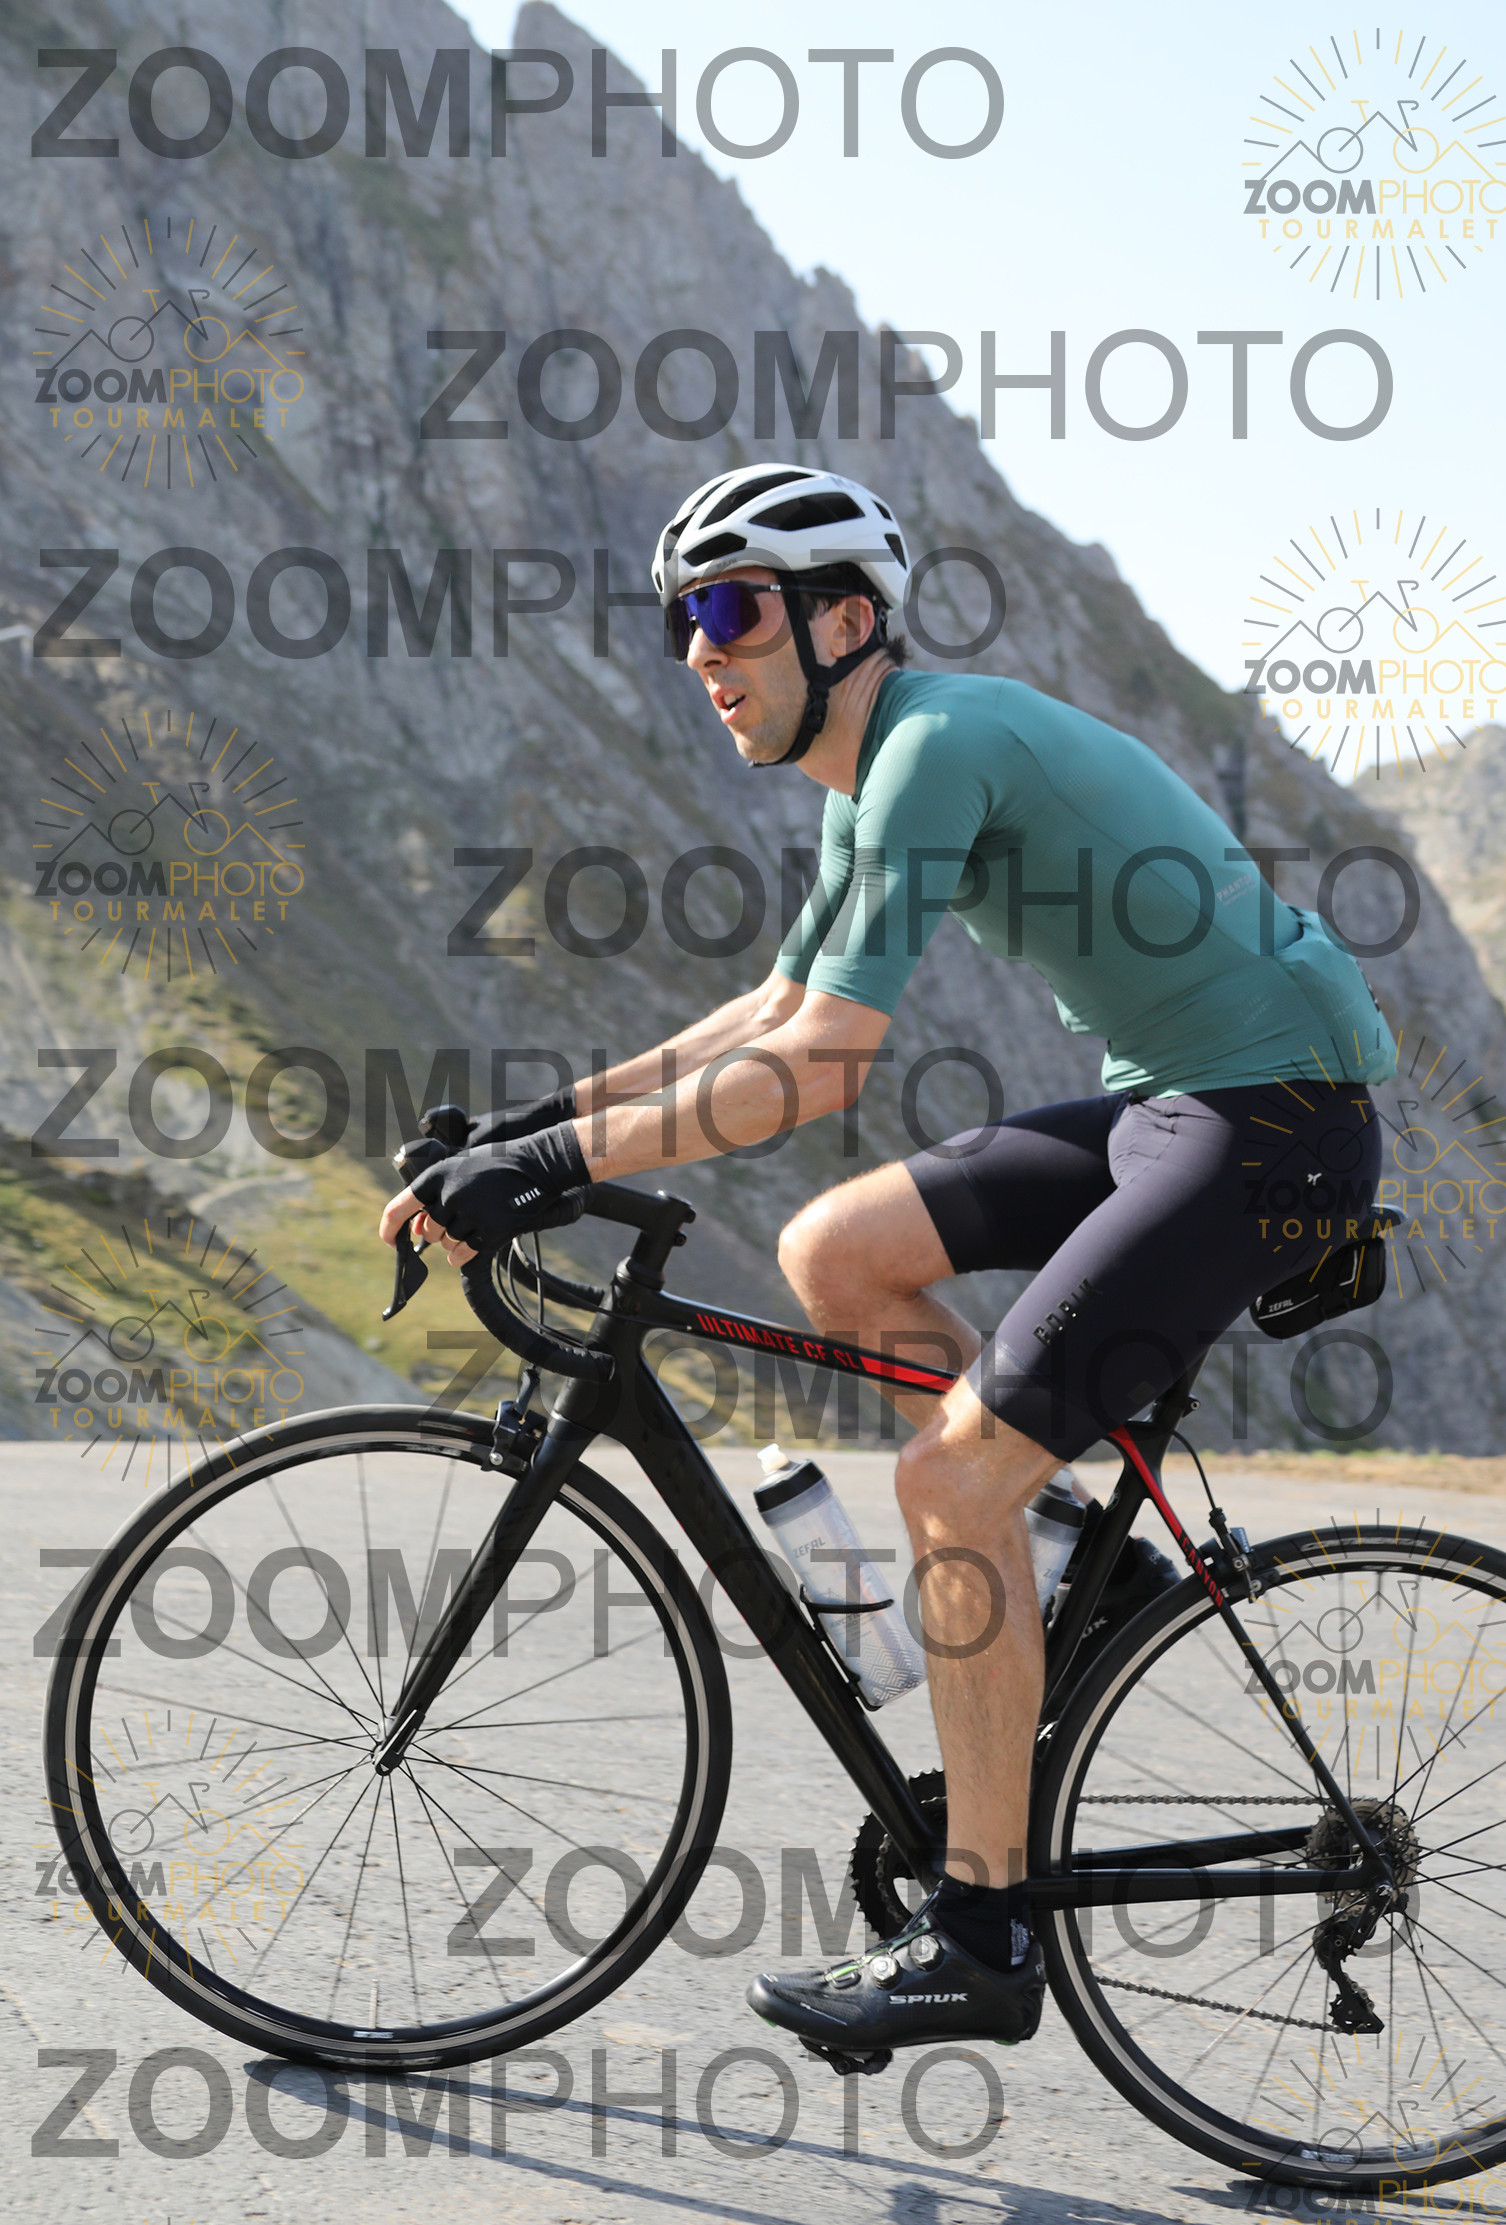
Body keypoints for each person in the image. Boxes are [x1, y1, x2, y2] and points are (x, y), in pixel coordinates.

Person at [379, 463, 1396, 2061]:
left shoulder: (932, 746)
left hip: (1272, 1127)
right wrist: (538, 1123)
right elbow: (769, 1012)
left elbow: (819, 1069)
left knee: (947, 1486)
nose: (702, 652)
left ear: (845, 621)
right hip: (1180, 1105)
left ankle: (982, 1937)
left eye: (733, 610)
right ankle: (1093, 1573)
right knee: (834, 1249)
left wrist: (552, 1173)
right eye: (684, 621)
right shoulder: (878, 771)